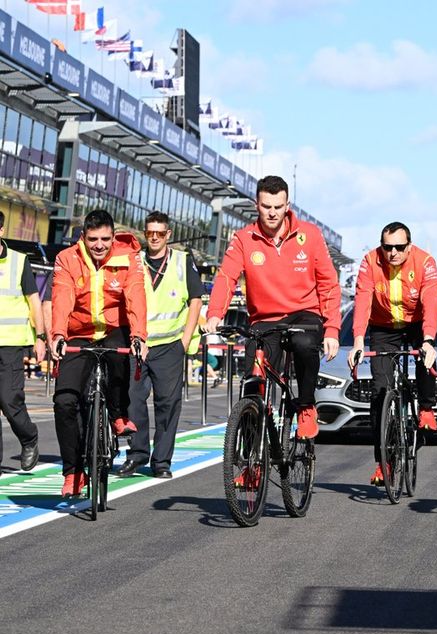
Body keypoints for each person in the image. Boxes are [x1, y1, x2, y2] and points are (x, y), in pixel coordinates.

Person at [205, 175, 341, 444]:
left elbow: (329, 284)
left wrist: (333, 329)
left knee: (304, 344)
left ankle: (305, 407)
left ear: (287, 204)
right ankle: (249, 459)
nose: (272, 213)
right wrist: (214, 314)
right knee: (253, 383)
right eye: (266, 206)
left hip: (305, 313)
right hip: (264, 319)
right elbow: (226, 277)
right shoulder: (244, 239)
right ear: (257, 204)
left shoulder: (310, 235)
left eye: (278, 207)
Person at [50, 210, 148, 498]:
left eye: (105, 238)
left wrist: (139, 336)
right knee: (65, 401)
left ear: (113, 237)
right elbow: (62, 297)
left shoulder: (127, 257)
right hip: (78, 331)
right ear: (83, 237)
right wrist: (57, 335)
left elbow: (135, 298)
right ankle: (73, 471)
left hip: (114, 328)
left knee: (119, 359)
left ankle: (118, 415)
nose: (99, 245)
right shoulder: (67, 259)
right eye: (93, 239)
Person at [347, 221, 437, 487]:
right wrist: (357, 342)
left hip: (416, 324)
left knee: (425, 355)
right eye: (388, 247)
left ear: (409, 246)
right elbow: (362, 300)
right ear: (381, 246)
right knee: (379, 391)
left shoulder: (425, 262)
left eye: (400, 247)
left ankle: (425, 408)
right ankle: (383, 462)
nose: (393, 253)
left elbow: (431, 301)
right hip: (383, 327)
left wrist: (429, 339)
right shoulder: (370, 261)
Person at [118, 212, 205, 479]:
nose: (154, 238)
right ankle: (137, 455)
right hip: (139, 344)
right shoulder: (135, 261)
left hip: (170, 345)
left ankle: (161, 462)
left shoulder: (182, 261)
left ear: (168, 235)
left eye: (159, 233)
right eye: (149, 233)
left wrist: (185, 340)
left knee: (168, 405)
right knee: (133, 400)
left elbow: (196, 300)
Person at [0, 212, 48, 477]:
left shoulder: (19, 262)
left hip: (10, 344)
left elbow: (34, 301)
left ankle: (29, 437)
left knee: (9, 400)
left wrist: (40, 337)